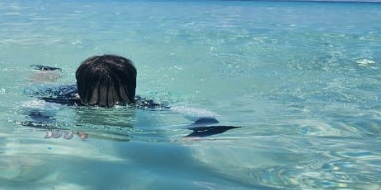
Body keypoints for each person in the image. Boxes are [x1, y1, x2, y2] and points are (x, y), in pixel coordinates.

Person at [26, 54, 237, 137]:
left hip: (86, 89)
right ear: (81, 99)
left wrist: (195, 137)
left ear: (132, 97)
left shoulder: (142, 104)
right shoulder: (67, 101)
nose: (111, 107)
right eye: (100, 104)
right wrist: (50, 125)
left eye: (119, 102)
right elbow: (33, 110)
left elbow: (207, 117)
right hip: (67, 90)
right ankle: (46, 72)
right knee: (39, 85)